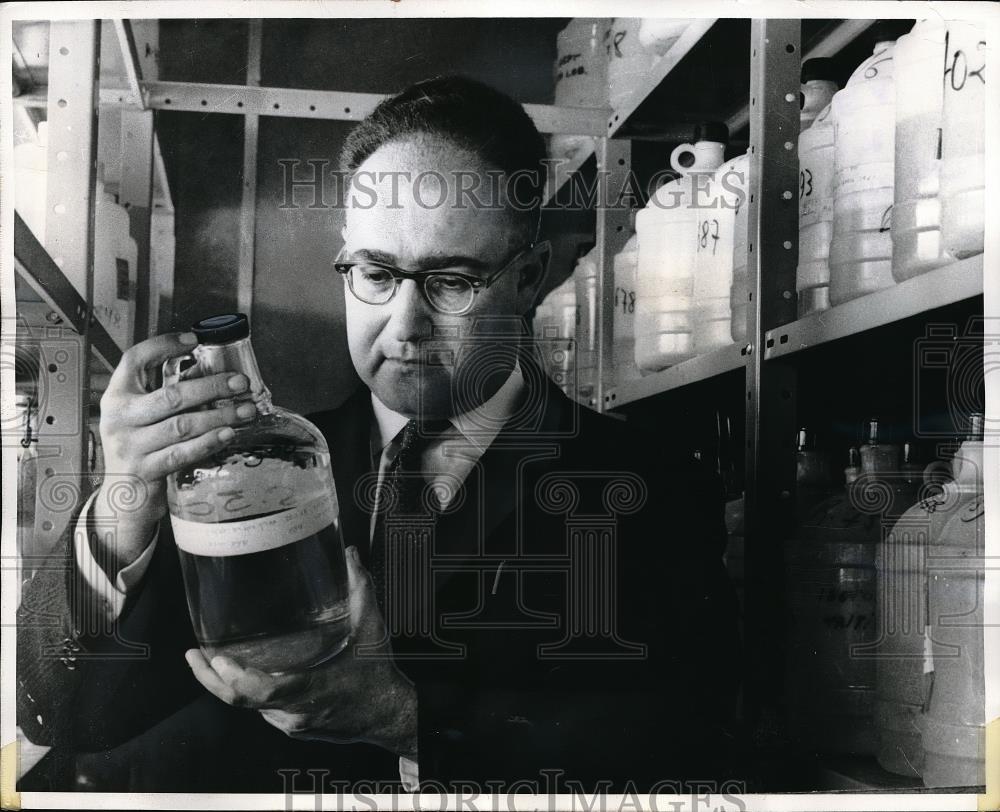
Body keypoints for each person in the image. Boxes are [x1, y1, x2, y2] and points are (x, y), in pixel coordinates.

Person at [17, 76, 739, 794]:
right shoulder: (244, 480)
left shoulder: (655, 486)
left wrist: (403, 718)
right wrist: (122, 506)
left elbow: (689, 749)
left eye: (452, 281)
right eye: (374, 272)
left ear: (529, 278)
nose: (404, 325)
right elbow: (59, 714)